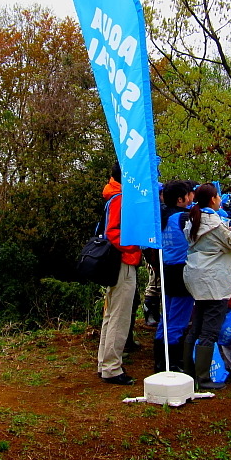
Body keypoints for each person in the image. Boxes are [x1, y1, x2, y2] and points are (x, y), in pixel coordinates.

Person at [182, 183, 231, 389]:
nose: (221, 199)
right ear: (213, 199)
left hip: (197, 276)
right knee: (209, 331)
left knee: (196, 326)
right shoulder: (213, 222)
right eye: (219, 196)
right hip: (214, 281)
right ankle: (202, 378)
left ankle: (188, 372)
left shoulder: (193, 219)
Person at [97, 162, 141, 385]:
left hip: (116, 262)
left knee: (111, 314)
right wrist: (133, 247)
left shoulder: (113, 196)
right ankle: (112, 368)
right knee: (120, 316)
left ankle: (105, 364)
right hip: (123, 261)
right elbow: (113, 232)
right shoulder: (120, 198)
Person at [152, 180, 195, 373]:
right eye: (188, 194)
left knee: (166, 317)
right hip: (181, 272)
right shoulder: (184, 217)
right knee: (178, 320)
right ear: (180, 199)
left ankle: (160, 362)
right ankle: (173, 364)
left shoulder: (161, 216)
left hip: (166, 270)